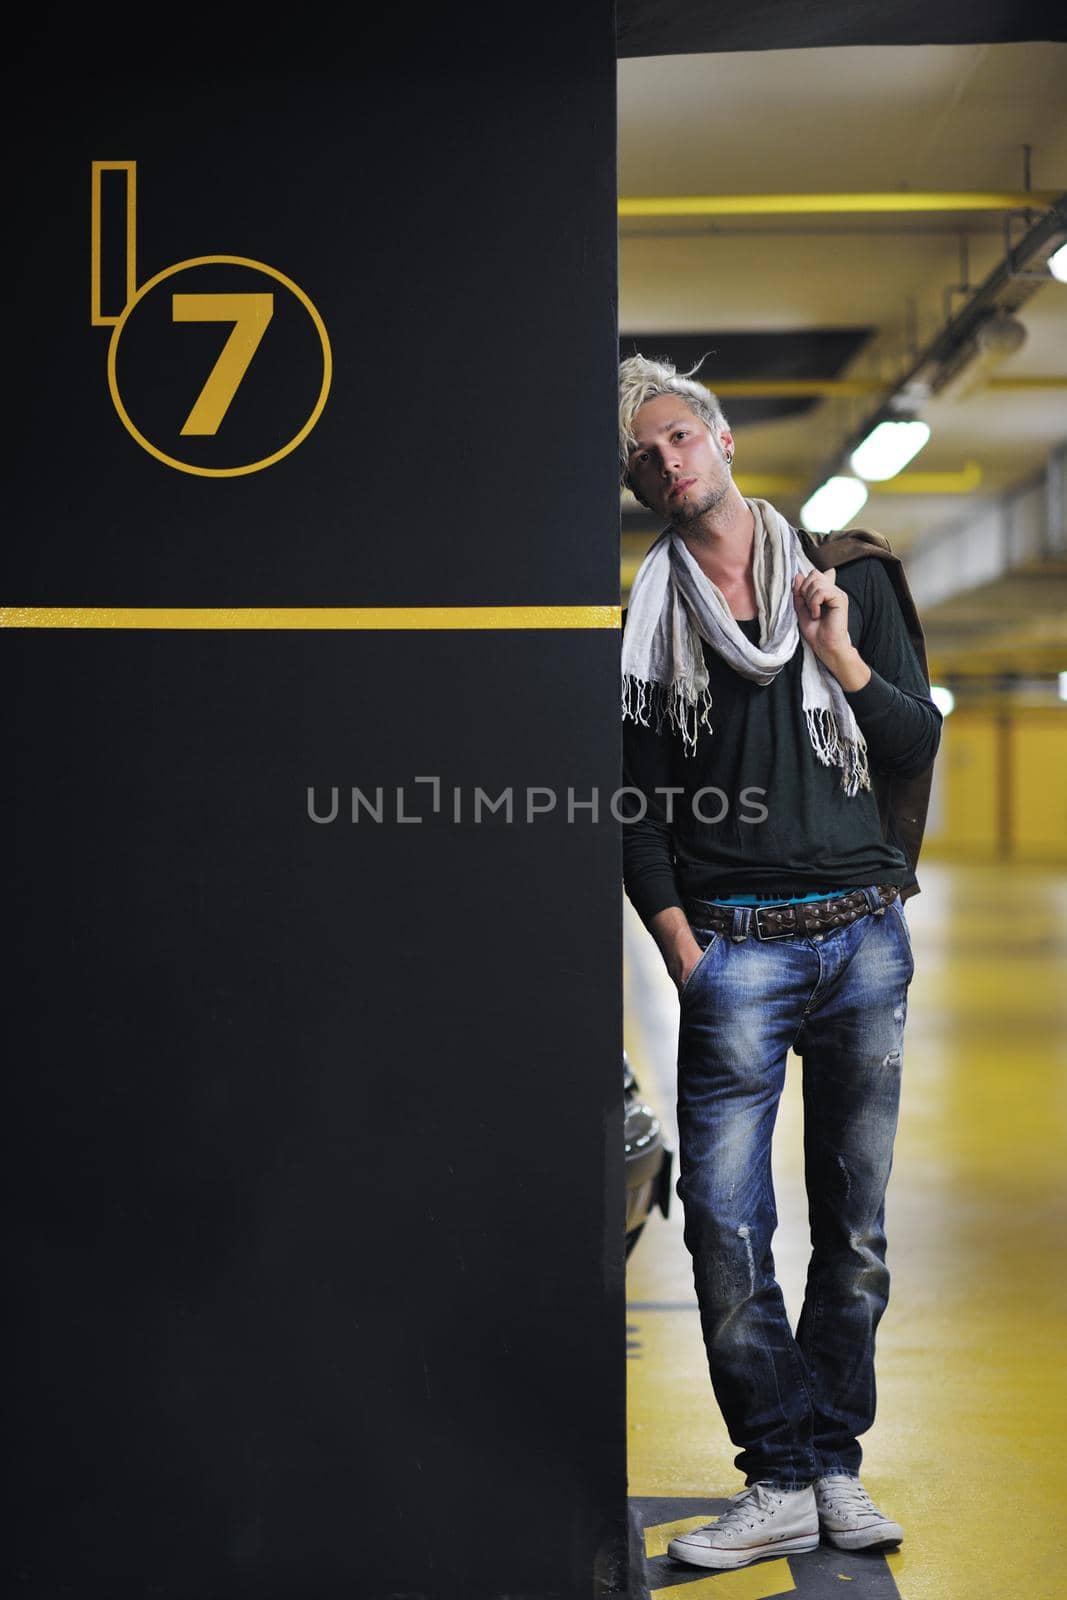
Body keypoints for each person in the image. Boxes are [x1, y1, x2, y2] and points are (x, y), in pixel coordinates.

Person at [619, 354, 941, 1572]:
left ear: (722, 440)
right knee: (725, 1227)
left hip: (862, 935)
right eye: (643, 456)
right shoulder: (648, 625)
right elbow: (634, 808)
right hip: (737, 955)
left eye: (676, 436)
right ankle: (780, 1475)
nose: (664, 460)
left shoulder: (845, 577)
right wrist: (684, 951)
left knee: (849, 1228)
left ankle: (833, 1467)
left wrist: (841, 654)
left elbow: (913, 740)